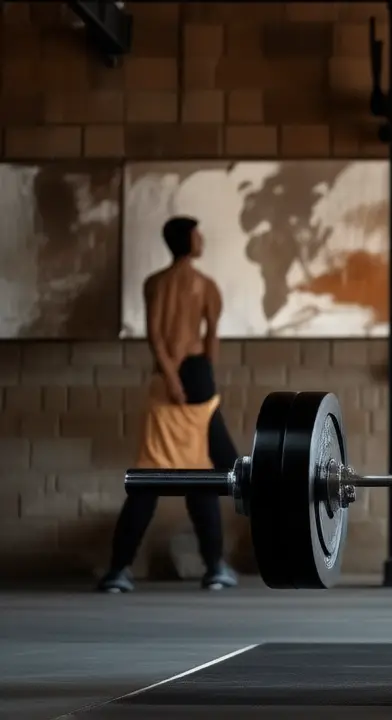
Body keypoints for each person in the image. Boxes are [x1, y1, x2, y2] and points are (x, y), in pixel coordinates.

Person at [97, 216, 240, 593]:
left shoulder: (157, 283)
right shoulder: (202, 285)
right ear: (186, 241)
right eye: (197, 235)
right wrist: (194, 376)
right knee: (188, 474)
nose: (201, 240)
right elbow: (206, 338)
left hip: (172, 378)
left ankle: (122, 570)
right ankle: (211, 567)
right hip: (189, 377)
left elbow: (158, 337)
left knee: (161, 475)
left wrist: (174, 377)